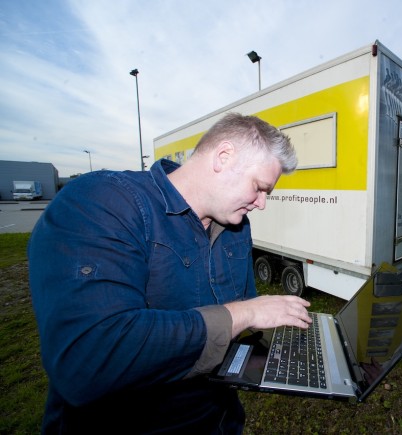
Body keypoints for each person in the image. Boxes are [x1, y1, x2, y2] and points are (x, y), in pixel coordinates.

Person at [28, 113, 313, 434]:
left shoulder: (236, 229)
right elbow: (88, 360)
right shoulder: (102, 202)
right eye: (260, 188)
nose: (262, 204)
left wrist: (284, 357)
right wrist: (244, 313)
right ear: (223, 157)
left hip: (217, 420)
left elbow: (241, 327)